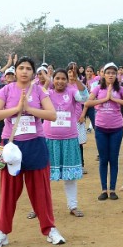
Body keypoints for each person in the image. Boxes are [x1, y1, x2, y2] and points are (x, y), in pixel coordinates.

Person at [0, 56, 67, 247]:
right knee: (8, 192)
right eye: (21, 68)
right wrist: (16, 109)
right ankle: (2, 232)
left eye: (28, 68)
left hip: (35, 145)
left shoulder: (39, 90)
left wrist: (29, 108)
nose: (24, 71)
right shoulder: (6, 90)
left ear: (33, 72)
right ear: (15, 71)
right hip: (12, 146)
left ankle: (50, 229)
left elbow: (52, 114)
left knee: (41, 192)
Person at [44, 68, 88, 215]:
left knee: (70, 175)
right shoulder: (48, 93)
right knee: (44, 176)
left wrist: (76, 80)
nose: (60, 81)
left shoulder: (71, 92)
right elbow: (36, 98)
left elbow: (84, 97)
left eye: (63, 78)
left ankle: (73, 206)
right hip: (49, 140)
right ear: (53, 80)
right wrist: (47, 82)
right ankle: (39, 207)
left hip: (69, 139)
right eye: (57, 78)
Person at [86, 62, 123, 201]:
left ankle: (112, 189)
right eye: (108, 73)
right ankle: (103, 189)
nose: (111, 75)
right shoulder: (98, 88)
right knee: (103, 159)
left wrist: (114, 98)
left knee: (113, 159)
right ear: (103, 74)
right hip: (100, 128)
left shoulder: (121, 89)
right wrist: (105, 98)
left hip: (116, 128)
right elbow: (87, 103)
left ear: (117, 75)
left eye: (113, 73)